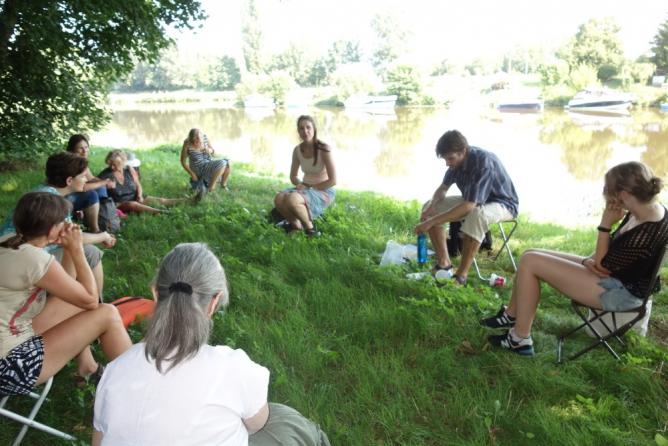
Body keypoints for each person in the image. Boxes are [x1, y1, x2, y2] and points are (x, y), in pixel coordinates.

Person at [92, 243, 330, 446]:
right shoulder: (233, 368)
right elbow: (257, 425)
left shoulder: (115, 370)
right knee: (283, 420)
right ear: (214, 302)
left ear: (155, 293)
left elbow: (99, 440)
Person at [480, 162, 668, 356]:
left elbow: (603, 266)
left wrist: (605, 225)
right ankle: (512, 315)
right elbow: (609, 255)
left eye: (609, 192)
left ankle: (519, 339)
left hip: (621, 292)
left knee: (530, 263)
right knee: (530, 253)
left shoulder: (646, 230)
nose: (607, 198)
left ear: (624, 194)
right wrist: (588, 262)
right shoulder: (645, 208)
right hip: (615, 275)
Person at [0, 192, 132, 394]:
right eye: (63, 220)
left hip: (12, 333)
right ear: (52, 228)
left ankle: (87, 366)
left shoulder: (9, 241)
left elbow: (71, 292)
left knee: (74, 304)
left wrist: (69, 249)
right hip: (10, 366)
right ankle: (138, 384)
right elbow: (89, 300)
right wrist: (78, 249)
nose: (67, 224)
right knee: (107, 314)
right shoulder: (36, 260)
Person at [0, 152, 116, 300]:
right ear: (69, 180)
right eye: (82, 176)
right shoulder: (52, 202)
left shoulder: (43, 193)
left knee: (84, 250)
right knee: (91, 252)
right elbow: (71, 236)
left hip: (13, 249)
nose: (86, 179)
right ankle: (95, 303)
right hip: (25, 256)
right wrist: (103, 236)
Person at [415, 130, 518, 285]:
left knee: (477, 214)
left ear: (463, 151)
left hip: (503, 204)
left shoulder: (483, 163)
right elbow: (443, 189)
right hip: (475, 200)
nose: (447, 163)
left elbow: (469, 206)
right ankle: (444, 264)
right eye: (445, 159)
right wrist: (430, 208)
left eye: (450, 158)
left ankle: (461, 276)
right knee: (430, 207)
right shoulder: (456, 162)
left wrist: (431, 222)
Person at [273, 115, 337, 237]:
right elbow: (293, 176)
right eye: (301, 128)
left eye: (308, 127)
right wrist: (300, 184)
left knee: (292, 199)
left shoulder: (324, 149)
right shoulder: (297, 150)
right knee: (279, 198)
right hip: (305, 188)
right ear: (298, 131)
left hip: (324, 190)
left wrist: (311, 188)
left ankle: (311, 229)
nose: (305, 131)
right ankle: (296, 226)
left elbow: (333, 180)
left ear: (314, 129)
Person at [98, 150, 195, 214]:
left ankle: (190, 200)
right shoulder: (105, 175)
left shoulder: (129, 170)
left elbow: (138, 185)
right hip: (120, 203)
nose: (112, 167)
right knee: (133, 205)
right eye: (110, 164)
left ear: (123, 162)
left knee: (161, 200)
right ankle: (161, 212)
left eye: (115, 164)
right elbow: (99, 192)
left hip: (135, 197)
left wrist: (139, 195)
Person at [65, 134, 116, 233]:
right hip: (64, 197)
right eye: (80, 148)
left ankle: (103, 216)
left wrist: (106, 182)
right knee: (91, 194)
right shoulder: (71, 163)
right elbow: (82, 187)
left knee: (101, 188)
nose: (85, 151)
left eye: (86, 147)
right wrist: (103, 183)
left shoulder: (80, 161)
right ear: (72, 150)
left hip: (75, 192)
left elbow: (91, 178)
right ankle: (95, 229)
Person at [180, 128, 231, 193]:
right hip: (198, 168)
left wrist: (210, 151)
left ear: (202, 138)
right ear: (190, 139)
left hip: (208, 163)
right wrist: (192, 174)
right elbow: (183, 161)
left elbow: (214, 153)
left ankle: (223, 185)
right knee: (223, 163)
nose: (196, 143)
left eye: (198, 141)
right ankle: (211, 187)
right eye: (194, 141)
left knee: (228, 163)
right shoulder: (187, 143)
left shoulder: (205, 138)